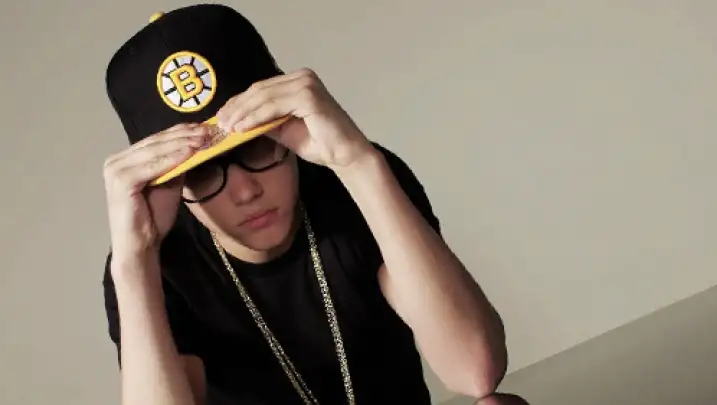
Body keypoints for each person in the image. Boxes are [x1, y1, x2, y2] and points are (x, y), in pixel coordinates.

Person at [101, 4, 512, 405]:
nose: (245, 192)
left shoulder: (351, 184)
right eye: (202, 172)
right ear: (168, 185)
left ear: (289, 123)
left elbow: (475, 370)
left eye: (257, 146)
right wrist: (133, 264)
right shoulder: (159, 258)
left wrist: (359, 164)